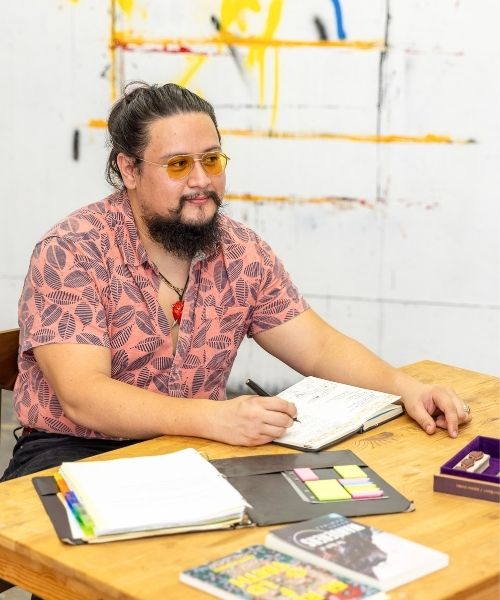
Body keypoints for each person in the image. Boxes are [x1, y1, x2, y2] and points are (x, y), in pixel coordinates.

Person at [1, 81, 471, 482]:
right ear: (129, 169)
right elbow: (84, 398)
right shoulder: (72, 251)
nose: (201, 180)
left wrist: (404, 387)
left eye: (212, 159)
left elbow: (319, 348)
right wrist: (218, 417)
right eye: (178, 165)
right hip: (73, 452)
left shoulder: (240, 251)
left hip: (195, 444)